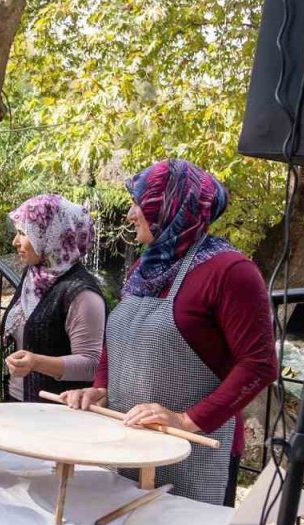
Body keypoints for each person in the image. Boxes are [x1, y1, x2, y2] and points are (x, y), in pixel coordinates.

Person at [60, 159, 277, 507]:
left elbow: (259, 365)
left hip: (192, 452)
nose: (131, 214)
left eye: (139, 204)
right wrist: (101, 388)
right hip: (128, 440)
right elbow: (118, 337)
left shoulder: (232, 272)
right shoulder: (144, 267)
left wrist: (186, 420)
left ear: (172, 207)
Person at [0, 195, 105, 402]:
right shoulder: (35, 276)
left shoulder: (82, 294)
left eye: (23, 233)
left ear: (51, 235)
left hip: (55, 411)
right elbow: (35, 325)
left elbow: (91, 364)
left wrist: (36, 363)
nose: (15, 242)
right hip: (17, 402)